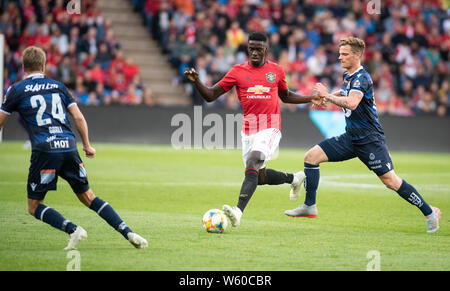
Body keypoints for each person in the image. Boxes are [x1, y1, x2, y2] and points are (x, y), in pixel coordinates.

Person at [285, 37, 441, 233]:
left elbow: (352, 103)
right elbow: (345, 91)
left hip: (369, 140)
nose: (340, 57)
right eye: (340, 53)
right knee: (311, 157)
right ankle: (310, 206)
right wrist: (325, 96)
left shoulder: (362, 77)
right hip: (351, 137)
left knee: (391, 181)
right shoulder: (349, 75)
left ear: (357, 55)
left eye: (345, 54)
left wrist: (327, 96)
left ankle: (429, 212)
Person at [0, 46, 148, 249]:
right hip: (69, 147)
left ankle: (73, 229)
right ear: (44, 65)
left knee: (34, 206)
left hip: (45, 150)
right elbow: (78, 116)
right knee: (89, 197)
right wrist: (87, 145)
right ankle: (129, 232)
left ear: (24, 67)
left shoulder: (16, 90)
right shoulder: (59, 87)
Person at [184, 32, 323, 228]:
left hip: (271, 126)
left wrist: (310, 98)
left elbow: (286, 96)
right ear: (248, 49)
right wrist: (197, 81)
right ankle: (295, 178)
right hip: (248, 129)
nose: (255, 52)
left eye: (259, 49)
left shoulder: (276, 71)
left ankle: (237, 212)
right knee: (259, 177)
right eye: (252, 49)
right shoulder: (237, 71)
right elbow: (210, 95)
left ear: (266, 50)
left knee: (253, 160)